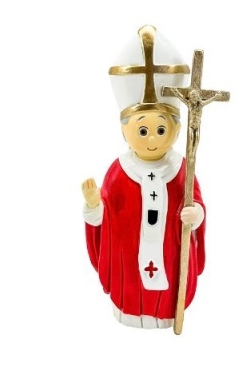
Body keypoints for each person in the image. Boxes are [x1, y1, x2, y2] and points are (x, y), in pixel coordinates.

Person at [81, 25, 206, 329]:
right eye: (142, 129)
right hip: (128, 260)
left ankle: (166, 314)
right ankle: (130, 312)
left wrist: (195, 215)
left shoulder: (181, 170)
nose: (152, 138)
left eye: (161, 129)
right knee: (132, 283)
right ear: (125, 130)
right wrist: (94, 205)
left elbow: (197, 207)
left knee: (168, 283)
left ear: (176, 129)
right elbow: (103, 218)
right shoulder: (119, 171)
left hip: (169, 252)